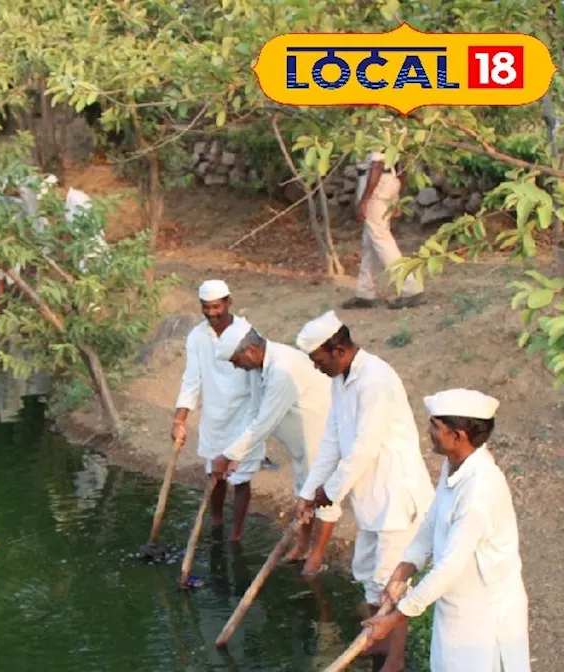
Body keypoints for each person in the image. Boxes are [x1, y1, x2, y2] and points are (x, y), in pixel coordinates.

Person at [293, 311, 435, 672]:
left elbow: (363, 449)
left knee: (391, 581)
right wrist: (309, 492)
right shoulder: (340, 380)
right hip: (370, 499)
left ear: (338, 349)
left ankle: (395, 660)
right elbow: (332, 441)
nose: (316, 368)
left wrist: (331, 492)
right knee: (369, 576)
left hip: (395, 498)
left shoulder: (376, 380)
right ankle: (379, 644)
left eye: (318, 360)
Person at [363, 389, 530, 672]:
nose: (428, 431)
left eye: (435, 426)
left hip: (484, 615)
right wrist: (403, 571)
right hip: (455, 607)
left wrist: (395, 618)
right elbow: (431, 523)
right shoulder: (453, 465)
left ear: (458, 436)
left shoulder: (480, 488)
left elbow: (450, 566)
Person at [215, 321, 341, 568]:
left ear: (250, 351)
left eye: (234, 360)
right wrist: (236, 456)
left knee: (323, 493)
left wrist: (226, 455)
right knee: (303, 487)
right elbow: (254, 413)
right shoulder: (257, 368)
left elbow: (264, 422)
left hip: (320, 433)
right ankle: (302, 546)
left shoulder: (283, 369)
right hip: (300, 442)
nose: (235, 366)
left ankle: (316, 556)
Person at [171, 280, 260, 542]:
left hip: (243, 414)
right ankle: (218, 520)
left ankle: (235, 535)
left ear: (229, 303)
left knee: (241, 478)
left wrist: (257, 419)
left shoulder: (247, 332)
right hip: (214, 415)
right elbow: (192, 379)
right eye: (206, 307)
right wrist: (180, 418)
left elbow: (256, 377)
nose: (211, 313)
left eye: (216, 307)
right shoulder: (197, 336)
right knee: (215, 473)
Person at [344, 151, 425, 310]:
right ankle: (365, 292)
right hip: (388, 180)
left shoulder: (377, 130)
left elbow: (377, 166)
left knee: (381, 239)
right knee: (370, 241)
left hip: (376, 184)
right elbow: (403, 164)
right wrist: (395, 196)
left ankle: (410, 289)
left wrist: (364, 200)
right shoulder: (395, 130)